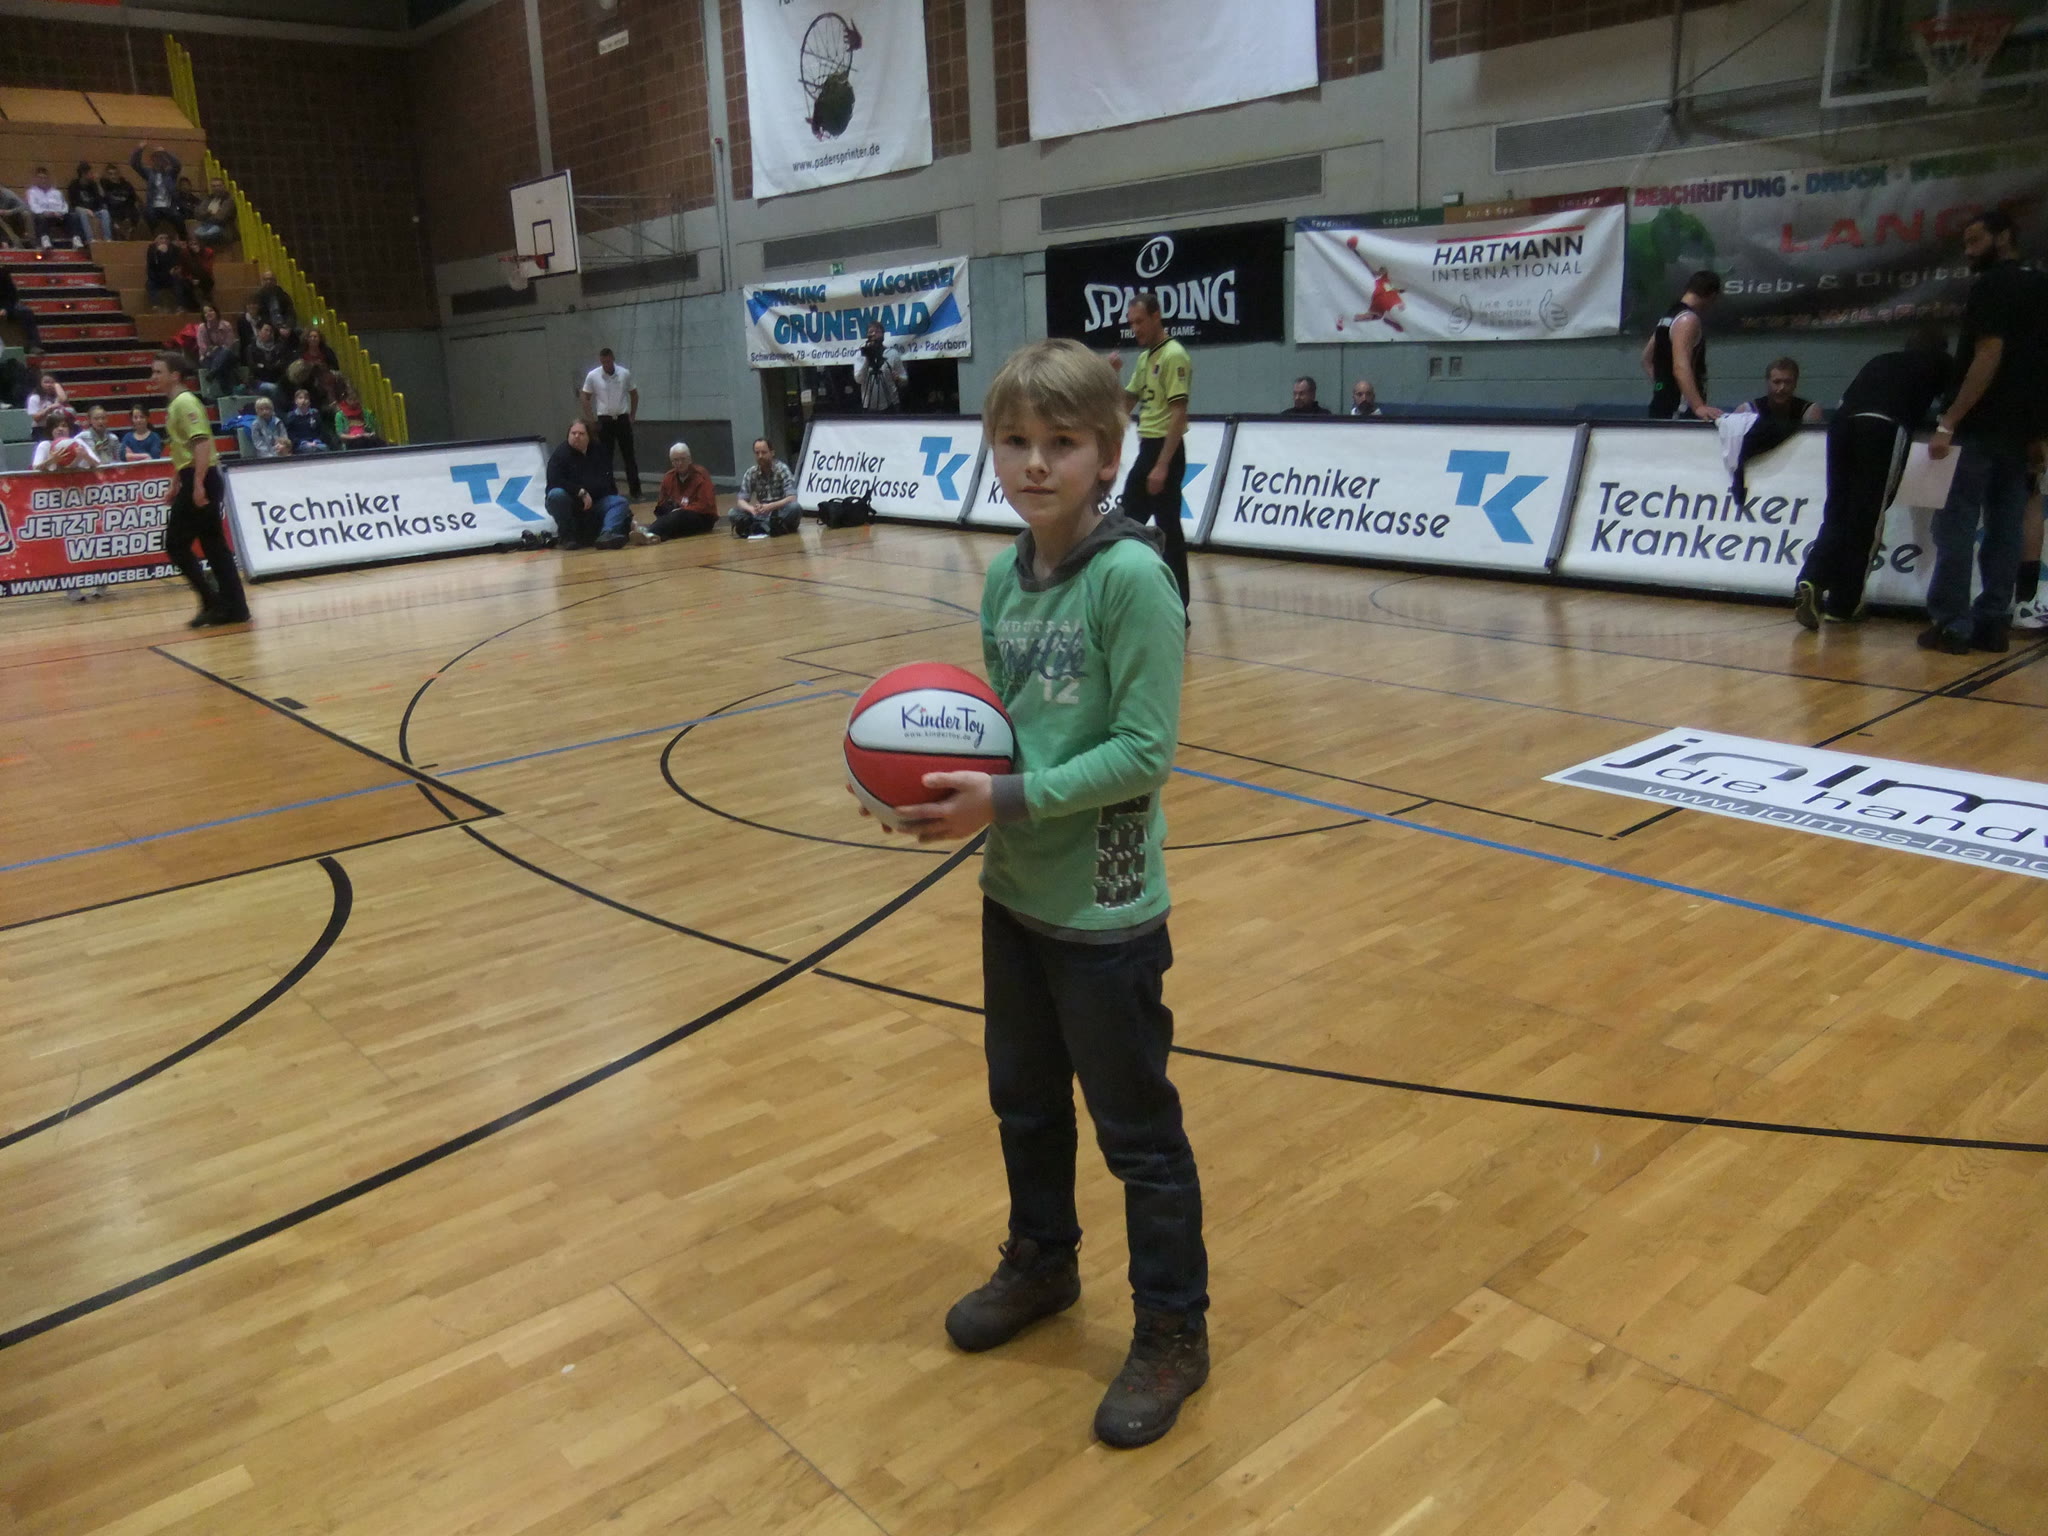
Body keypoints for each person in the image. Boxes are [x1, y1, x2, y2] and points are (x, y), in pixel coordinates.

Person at [875, 337, 1208, 1451]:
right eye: (1014, 441)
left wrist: (1004, 799)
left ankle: (1174, 1328)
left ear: (1108, 455)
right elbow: (1000, 738)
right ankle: (1043, 1262)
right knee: (1022, 1103)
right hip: (1012, 890)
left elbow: (1143, 754)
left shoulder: (1132, 578)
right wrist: (929, 793)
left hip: (1105, 911)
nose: (1033, 463)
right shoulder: (1000, 576)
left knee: (1137, 1135)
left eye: (1061, 443)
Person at [1920, 209, 2048, 655]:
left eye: (1975, 241)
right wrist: (2039, 432)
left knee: (1955, 525)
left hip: (1978, 428)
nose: (1968, 251)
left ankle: (1952, 625)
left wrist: (1949, 420)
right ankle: (1993, 622)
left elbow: (1989, 354)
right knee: (2005, 529)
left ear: (2004, 237)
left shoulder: (1991, 286)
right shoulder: (2041, 286)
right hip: (2019, 432)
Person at [1792, 326, 1952, 630]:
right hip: (1882, 425)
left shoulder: (1880, 360)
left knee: (1838, 510)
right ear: (1941, 349)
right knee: (1867, 515)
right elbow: (1954, 402)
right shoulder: (1940, 362)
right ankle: (1844, 604)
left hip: (1841, 426)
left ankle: (1811, 578)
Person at [151, 350, 249, 627]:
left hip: (202, 477)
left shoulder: (184, 403)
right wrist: (176, 482)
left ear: (175, 375)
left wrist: (197, 485)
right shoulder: (176, 404)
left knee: (176, 543)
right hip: (196, 476)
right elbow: (184, 449)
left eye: (158, 372)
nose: (153, 377)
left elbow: (202, 443)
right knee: (213, 545)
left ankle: (213, 600)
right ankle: (234, 607)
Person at [1109, 291, 1193, 611]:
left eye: (1140, 321)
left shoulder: (1174, 355)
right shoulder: (1146, 359)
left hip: (1164, 449)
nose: (1135, 329)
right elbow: (1125, 404)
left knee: (1165, 528)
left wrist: (1162, 465)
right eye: (1131, 323)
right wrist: (1113, 375)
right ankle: (1141, 595)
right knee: (1130, 523)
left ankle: (1178, 605)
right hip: (1148, 447)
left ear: (1157, 316)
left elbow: (1178, 414)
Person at [1643, 269, 1722, 421]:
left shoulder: (1668, 317)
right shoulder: (1687, 320)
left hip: (1661, 404)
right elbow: (1681, 366)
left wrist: (1662, 386)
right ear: (1712, 296)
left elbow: (1646, 359)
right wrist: (1698, 406)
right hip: (1680, 409)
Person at [546, 418, 633, 550]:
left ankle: (607, 534)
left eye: (581, 433)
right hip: (570, 501)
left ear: (589, 437)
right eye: (573, 433)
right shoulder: (559, 455)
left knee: (620, 502)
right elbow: (554, 481)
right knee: (556, 495)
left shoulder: (599, 451)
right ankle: (567, 536)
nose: (576, 436)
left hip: (595, 501)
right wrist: (580, 491)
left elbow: (607, 481)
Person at [578, 348, 642, 501]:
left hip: (622, 418)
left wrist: (632, 415)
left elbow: (634, 393)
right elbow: (585, 396)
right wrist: (591, 419)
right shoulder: (593, 375)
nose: (606, 365)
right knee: (605, 458)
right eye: (603, 362)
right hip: (604, 420)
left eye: (608, 361)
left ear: (613, 358)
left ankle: (636, 492)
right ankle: (609, 491)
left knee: (629, 456)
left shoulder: (624, 373)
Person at [648, 442, 719, 539]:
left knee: (678, 516)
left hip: (702, 516)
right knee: (665, 513)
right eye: (676, 460)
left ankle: (649, 533)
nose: (680, 463)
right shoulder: (668, 477)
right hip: (677, 513)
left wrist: (683, 509)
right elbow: (661, 502)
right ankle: (655, 535)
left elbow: (705, 505)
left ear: (690, 460)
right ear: (672, 462)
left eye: (683, 459)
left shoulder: (700, 475)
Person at [732, 437, 799, 538]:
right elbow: (741, 500)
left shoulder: (782, 469)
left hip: (779, 512)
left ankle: (759, 526)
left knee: (795, 508)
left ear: (772, 453)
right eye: (757, 453)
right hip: (761, 513)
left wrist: (770, 506)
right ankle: (769, 527)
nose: (760, 456)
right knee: (732, 513)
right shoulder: (751, 472)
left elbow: (792, 498)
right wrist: (752, 509)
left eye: (764, 452)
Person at [131, 144, 185, 239]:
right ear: (153, 161)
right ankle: (155, 238)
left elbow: (177, 165)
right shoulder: (149, 173)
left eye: (161, 159)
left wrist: (166, 152)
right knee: (149, 215)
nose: (159, 161)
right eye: (156, 159)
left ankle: (184, 239)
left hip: (169, 206)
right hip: (154, 206)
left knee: (178, 218)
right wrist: (140, 149)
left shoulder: (171, 173)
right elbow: (135, 164)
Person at [855, 320, 907, 413]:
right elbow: (858, 379)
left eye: (877, 331)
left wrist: (898, 378)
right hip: (868, 406)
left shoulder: (892, 353)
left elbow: (904, 380)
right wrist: (868, 358)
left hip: (891, 404)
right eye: (871, 332)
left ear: (883, 335)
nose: (874, 334)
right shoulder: (860, 355)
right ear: (867, 336)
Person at [25, 168, 84, 250]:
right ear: (36, 179)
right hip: (44, 216)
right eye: (40, 178)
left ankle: (76, 239)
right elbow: (33, 206)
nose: (43, 180)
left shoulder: (56, 192)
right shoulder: (32, 192)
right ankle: (45, 241)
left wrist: (60, 213)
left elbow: (64, 206)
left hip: (58, 216)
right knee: (40, 218)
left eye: (45, 178)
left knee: (73, 217)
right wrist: (46, 212)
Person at [1753, 358, 1824, 425]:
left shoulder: (1808, 410)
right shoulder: (1753, 409)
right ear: (1768, 382)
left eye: (1788, 382)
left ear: (1795, 383)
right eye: (1777, 382)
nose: (1782, 388)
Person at [195, 303, 239, 398]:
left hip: (226, 354)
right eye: (205, 312)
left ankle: (212, 373)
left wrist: (217, 349)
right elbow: (203, 347)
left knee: (225, 353)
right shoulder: (202, 328)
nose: (208, 314)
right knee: (223, 365)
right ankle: (228, 392)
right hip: (208, 358)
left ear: (216, 312)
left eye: (211, 310)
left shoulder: (226, 325)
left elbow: (229, 344)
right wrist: (214, 351)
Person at [245, 321, 290, 404]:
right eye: (266, 330)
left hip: (276, 379)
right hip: (258, 381)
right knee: (273, 388)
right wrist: (271, 367)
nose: (269, 333)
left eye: (270, 331)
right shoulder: (251, 348)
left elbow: (282, 365)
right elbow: (254, 367)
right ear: (259, 331)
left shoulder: (279, 347)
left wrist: (264, 366)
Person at [67, 162, 112, 243]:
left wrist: (98, 183)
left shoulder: (93, 185)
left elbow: (102, 197)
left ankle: (108, 238)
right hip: (79, 209)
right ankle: (90, 239)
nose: (92, 175)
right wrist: (86, 210)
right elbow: (74, 203)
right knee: (83, 213)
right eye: (90, 173)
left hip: (93, 210)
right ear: (83, 174)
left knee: (105, 212)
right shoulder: (74, 185)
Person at [0, 262, 40, 350]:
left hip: (4, 305)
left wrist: (6, 309)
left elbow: (12, 296)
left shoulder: (3, 273)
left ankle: (33, 345)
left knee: (26, 312)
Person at [32, 419, 100, 470]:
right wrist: (51, 460)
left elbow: (98, 465)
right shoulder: (45, 445)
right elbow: (35, 469)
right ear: (50, 430)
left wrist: (86, 456)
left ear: (69, 429)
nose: (60, 429)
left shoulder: (78, 442)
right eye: (55, 426)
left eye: (64, 426)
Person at [144, 231, 184, 312]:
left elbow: (177, 264)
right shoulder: (152, 249)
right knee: (149, 284)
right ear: (156, 240)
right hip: (157, 277)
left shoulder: (175, 249)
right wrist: (158, 253)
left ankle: (180, 306)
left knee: (179, 282)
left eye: (166, 238)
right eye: (161, 238)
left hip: (171, 277)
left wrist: (166, 255)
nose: (164, 240)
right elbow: (150, 267)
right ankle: (156, 305)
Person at [283, 388, 332, 454]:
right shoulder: (291, 416)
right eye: (300, 398)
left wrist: (316, 441)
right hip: (300, 444)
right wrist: (304, 443)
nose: (303, 400)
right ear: (296, 401)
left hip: (316, 443)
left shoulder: (315, 413)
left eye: (306, 398)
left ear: (309, 402)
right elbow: (291, 435)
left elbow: (321, 431)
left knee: (324, 448)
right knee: (309, 449)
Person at [253, 269, 298, 339]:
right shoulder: (257, 297)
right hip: (268, 326)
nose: (269, 281)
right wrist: (278, 329)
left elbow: (290, 312)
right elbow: (261, 316)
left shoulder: (283, 295)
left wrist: (288, 327)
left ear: (275, 281)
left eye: (271, 279)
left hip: (285, 325)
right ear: (262, 281)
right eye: (266, 279)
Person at [99, 161, 140, 237]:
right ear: (107, 175)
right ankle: (121, 230)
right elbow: (102, 199)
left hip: (126, 209)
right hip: (113, 209)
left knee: (133, 210)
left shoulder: (126, 185)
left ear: (118, 174)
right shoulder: (104, 185)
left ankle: (127, 229)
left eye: (115, 174)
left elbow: (133, 198)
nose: (113, 176)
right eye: (110, 174)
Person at [193, 178, 236, 248]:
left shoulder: (228, 200)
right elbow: (197, 214)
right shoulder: (208, 198)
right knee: (195, 233)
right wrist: (210, 213)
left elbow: (220, 218)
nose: (216, 188)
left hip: (223, 228)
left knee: (205, 235)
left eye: (218, 186)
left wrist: (205, 215)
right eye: (214, 186)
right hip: (206, 225)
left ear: (224, 186)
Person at [0, 183, 30, 248]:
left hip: (16, 217)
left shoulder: (8, 196)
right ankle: (6, 241)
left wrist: (8, 212)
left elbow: (24, 207)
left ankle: (13, 242)